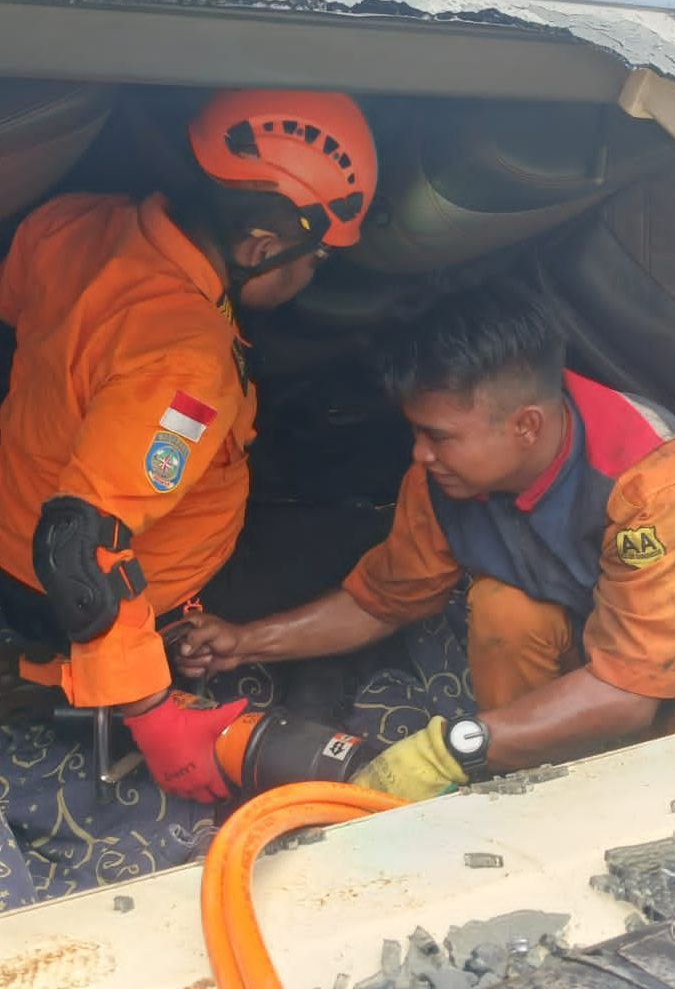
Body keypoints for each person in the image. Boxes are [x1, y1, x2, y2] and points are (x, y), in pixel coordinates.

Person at [0, 88, 378, 803]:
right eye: (317, 259)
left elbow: (17, 318)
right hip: (121, 588)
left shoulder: (69, 222)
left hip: (9, 522)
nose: (311, 275)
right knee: (371, 532)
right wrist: (151, 714)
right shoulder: (185, 361)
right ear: (260, 245)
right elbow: (80, 543)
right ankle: (304, 708)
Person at [175, 278, 675, 800]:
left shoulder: (651, 483)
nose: (420, 454)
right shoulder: (442, 476)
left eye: (439, 435)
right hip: (602, 646)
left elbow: (630, 689)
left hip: (651, 678)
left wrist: (454, 748)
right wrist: (244, 641)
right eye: (416, 432)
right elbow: (383, 602)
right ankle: (532, 784)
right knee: (505, 608)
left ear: (526, 426)